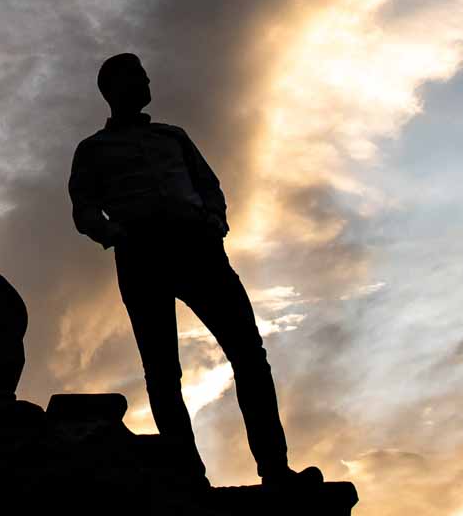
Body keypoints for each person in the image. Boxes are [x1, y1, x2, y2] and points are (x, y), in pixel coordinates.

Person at [67, 53, 320, 490]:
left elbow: (209, 185)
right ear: (112, 88)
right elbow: (84, 208)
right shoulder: (93, 150)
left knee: (248, 355)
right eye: (135, 76)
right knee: (163, 371)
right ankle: (186, 476)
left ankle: (275, 471)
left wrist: (215, 223)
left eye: (145, 74)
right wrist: (114, 234)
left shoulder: (172, 136)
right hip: (140, 254)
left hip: (197, 248)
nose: (146, 81)